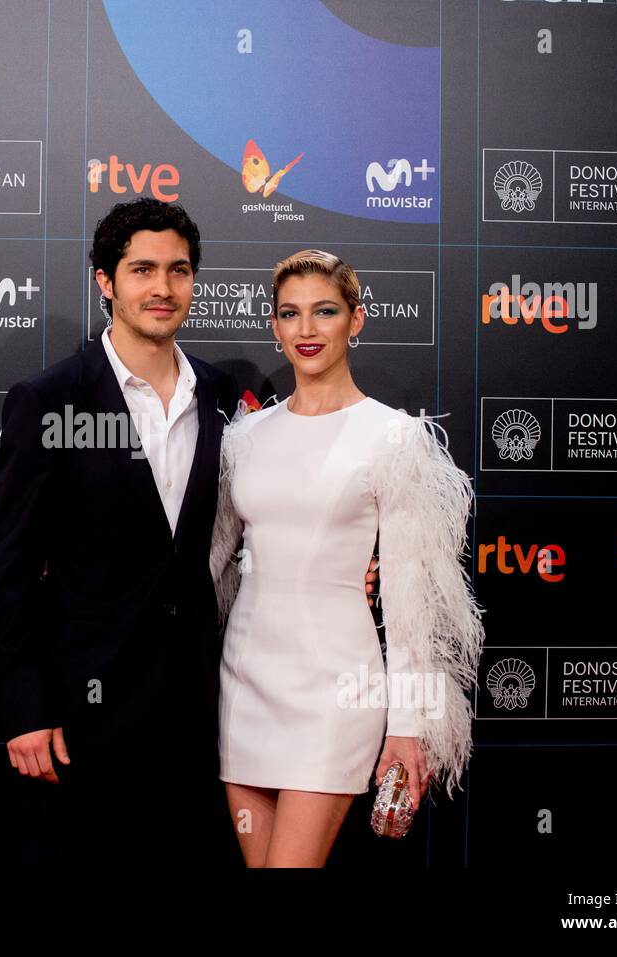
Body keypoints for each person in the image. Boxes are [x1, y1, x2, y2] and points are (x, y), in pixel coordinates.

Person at [0, 203, 377, 866]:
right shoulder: (50, 400)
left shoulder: (229, 397)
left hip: (206, 710)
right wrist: (25, 707)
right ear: (105, 281)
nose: (162, 286)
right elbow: (13, 566)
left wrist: (339, 565)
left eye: (178, 270)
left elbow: (257, 521)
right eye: (142, 269)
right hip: (87, 713)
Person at [209, 249, 484, 868]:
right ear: (274, 326)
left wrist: (409, 725)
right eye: (290, 314)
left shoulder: (394, 438)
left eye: (325, 311)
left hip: (337, 690)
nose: (306, 330)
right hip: (245, 684)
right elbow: (212, 564)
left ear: (356, 319)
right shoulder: (245, 438)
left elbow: (417, 599)